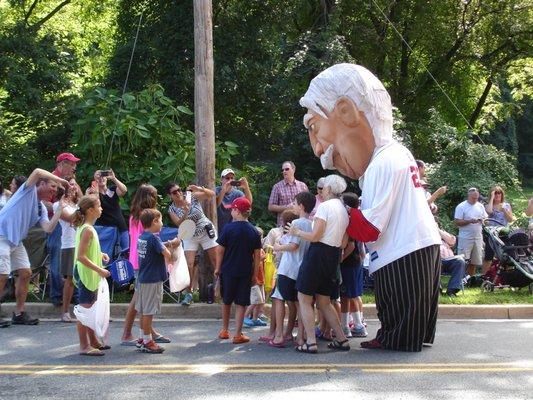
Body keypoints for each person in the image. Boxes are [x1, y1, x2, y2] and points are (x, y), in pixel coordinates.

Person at [299, 63, 441, 352]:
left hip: (402, 250)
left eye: (314, 128)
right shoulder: (399, 154)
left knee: (398, 294)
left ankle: (397, 338)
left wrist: (343, 211)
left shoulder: (380, 164)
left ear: (346, 111)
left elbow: (369, 227)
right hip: (421, 242)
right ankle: (416, 333)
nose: (317, 149)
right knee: (415, 300)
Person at [289, 174, 350, 353]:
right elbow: (344, 242)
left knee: (304, 297)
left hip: (318, 253)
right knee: (324, 301)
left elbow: (315, 236)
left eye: (323, 188)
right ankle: (341, 338)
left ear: (329, 189)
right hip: (333, 255)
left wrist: (297, 231)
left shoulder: (325, 207)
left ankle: (311, 342)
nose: (321, 190)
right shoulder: (343, 209)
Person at [0, 168, 68, 328]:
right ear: (41, 184)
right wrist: (60, 180)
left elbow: (48, 229)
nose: (54, 190)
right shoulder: (27, 191)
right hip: (1, 236)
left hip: (16, 241)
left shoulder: (41, 208)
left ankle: (19, 313)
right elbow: (37, 171)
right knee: (2, 274)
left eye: (56, 188)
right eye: (52, 186)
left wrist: (59, 210)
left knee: (25, 273)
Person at [121, 184, 169, 346]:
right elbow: (152, 239)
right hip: (145, 261)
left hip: (136, 258)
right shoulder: (147, 218)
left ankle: (149, 331)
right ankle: (127, 333)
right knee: (138, 301)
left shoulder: (135, 215)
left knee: (141, 300)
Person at [269, 191, 315, 348]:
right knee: (300, 303)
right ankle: (300, 337)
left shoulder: (297, 224)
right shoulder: (313, 224)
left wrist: (278, 247)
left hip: (288, 268)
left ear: (301, 206)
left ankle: (279, 335)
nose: (293, 206)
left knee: (279, 298)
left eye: (295, 204)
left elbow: (294, 246)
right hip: (303, 268)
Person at [215, 197, 262, 344]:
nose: (231, 212)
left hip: (228, 270)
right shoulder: (254, 231)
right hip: (245, 272)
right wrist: (254, 275)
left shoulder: (228, 228)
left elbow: (220, 250)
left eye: (232, 210)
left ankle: (224, 330)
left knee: (226, 300)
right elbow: (257, 256)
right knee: (241, 303)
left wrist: (217, 267)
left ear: (237, 211)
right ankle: (238, 334)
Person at [166, 182, 218, 306]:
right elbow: (179, 223)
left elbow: (212, 195)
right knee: (189, 264)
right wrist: (185, 211)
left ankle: (222, 290)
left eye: (179, 190)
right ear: (169, 196)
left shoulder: (191, 196)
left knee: (216, 261)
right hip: (189, 235)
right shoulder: (172, 208)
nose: (178, 193)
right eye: (174, 192)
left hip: (205, 231)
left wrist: (199, 188)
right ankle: (188, 294)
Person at [136, 209, 179, 354]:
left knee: (143, 310)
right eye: (160, 220)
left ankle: (142, 337)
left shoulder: (143, 237)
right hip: (153, 280)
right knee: (149, 311)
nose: (161, 224)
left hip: (142, 279)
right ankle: (148, 341)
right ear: (154, 221)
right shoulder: (154, 238)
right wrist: (173, 246)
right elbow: (168, 255)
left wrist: (167, 243)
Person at [72, 195, 110, 356]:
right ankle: (84, 345)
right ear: (90, 210)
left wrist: (100, 254)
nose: (101, 209)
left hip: (88, 273)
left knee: (91, 309)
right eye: (99, 206)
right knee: (85, 311)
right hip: (86, 273)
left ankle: (93, 341)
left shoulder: (87, 227)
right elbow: (81, 256)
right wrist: (100, 270)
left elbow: (87, 250)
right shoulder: (87, 229)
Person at [47, 152, 81, 307]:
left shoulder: (70, 181)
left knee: (70, 263)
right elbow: (42, 202)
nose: (74, 167)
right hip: (55, 223)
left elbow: (80, 200)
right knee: (57, 259)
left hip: (70, 224)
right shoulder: (51, 178)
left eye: (75, 164)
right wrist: (59, 209)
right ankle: (56, 295)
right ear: (61, 164)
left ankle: (70, 295)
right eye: (71, 164)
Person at [340, 192, 367, 338]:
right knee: (353, 295)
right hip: (356, 262)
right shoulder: (357, 219)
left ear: (348, 207)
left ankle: (347, 326)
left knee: (345, 296)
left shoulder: (348, 220)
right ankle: (358, 324)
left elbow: (350, 245)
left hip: (348, 263)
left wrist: (341, 259)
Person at [54, 180, 80, 322]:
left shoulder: (76, 205)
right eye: (70, 185)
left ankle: (89, 309)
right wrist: (85, 208)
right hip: (69, 245)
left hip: (81, 243)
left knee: (85, 278)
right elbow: (71, 218)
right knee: (70, 279)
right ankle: (65, 311)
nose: (73, 187)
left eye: (75, 185)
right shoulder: (58, 205)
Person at [89, 169, 129, 252]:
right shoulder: (93, 193)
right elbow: (95, 204)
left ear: (106, 178)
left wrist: (114, 178)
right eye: (98, 176)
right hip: (106, 232)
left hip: (121, 229)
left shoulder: (113, 190)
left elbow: (124, 190)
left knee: (125, 253)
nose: (101, 178)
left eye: (103, 176)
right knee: (108, 255)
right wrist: (96, 187)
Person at [454, 188, 488, 276]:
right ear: (469, 196)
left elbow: (486, 219)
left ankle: (470, 278)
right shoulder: (461, 206)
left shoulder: (480, 206)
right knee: (463, 259)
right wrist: (469, 221)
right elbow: (457, 222)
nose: (475, 200)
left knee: (475, 260)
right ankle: (461, 279)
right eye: (473, 198)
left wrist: (483, 220)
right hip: (465, 237)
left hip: (478, 236)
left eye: (476, 198)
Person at [482, 186, 514, 274]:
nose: (497, 195)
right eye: (495, 193)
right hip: (491, 234)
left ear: (502, 194)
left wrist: (504, 210)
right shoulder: (488, 205)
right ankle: (484, 276)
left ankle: (505, 277)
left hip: (503, 233)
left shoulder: (506, 205)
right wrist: (491, 198)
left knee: (506, 256)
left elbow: (510, 219)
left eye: (499, 193)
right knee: (488, 256)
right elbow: (489, 211)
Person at [268, 161, 309, 226]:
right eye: (283, 170)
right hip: (283, 224)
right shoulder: (277, 187)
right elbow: (271, 207)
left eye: (287, 169)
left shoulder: (302, 186)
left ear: (293, 170)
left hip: (300, 223)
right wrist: (287, 207)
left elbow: (308, 204)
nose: (284, 171)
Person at [215, 168, 253, 233]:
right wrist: (223, 191)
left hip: (232, 229)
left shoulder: (237, 193)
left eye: (232, 178)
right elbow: (216, 205)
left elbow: (248, 203)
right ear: (221, 180)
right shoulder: (216, 190)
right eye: (227, 178)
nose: (230, 180)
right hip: (217, 227)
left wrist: (246, 187)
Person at [438, 224, 466, 297]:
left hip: (448, 261)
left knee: (460, 261)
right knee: (433, 261)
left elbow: (452, 241)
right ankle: (437, 290)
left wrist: (438, 230)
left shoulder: (443, 235)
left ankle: (451, 290)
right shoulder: (425, 235)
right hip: (434, 261)